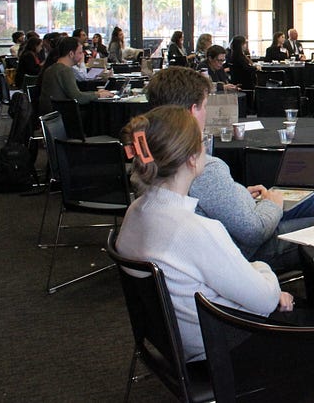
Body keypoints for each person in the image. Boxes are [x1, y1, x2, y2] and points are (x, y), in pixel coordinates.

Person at [115, 105, 291, 363]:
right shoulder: (193, 230)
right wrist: (264, 273)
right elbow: (265, 300)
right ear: (192, 158)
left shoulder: (135, 212)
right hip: (220, 350)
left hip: (171, 343)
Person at [143, 66, 314, 272]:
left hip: (235, 228)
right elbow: (255, 231)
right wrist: (272, 205)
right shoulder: (200, 166)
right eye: (205, 106)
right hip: (248, 251)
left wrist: (239, 195)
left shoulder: (154, 153)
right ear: (192, 110)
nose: (207, 112)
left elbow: (214, 205)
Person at [38, 36, 113, 115]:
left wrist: (95, 93)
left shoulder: (51, 68)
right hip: (62, 116)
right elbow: (77, 97)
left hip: (51, 116)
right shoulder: (65, 70)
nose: (82, 56)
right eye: (80, 53)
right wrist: (98, 95)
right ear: (71, 54)